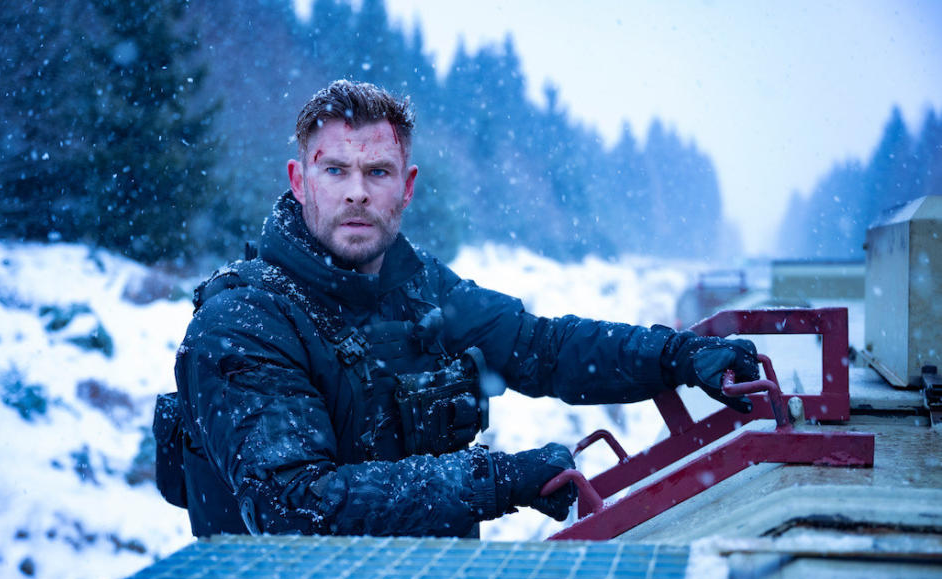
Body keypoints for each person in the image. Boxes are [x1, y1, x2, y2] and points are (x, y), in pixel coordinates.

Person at [171, 79, 759, 538]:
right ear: (300, 181)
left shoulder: (420, 288)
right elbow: (293, 504)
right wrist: (496, 480)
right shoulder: (244, 322)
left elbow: (544, 349)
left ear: (407, 186)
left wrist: (679, 355)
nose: (357, 192)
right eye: (336, 171)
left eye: (377, 171)